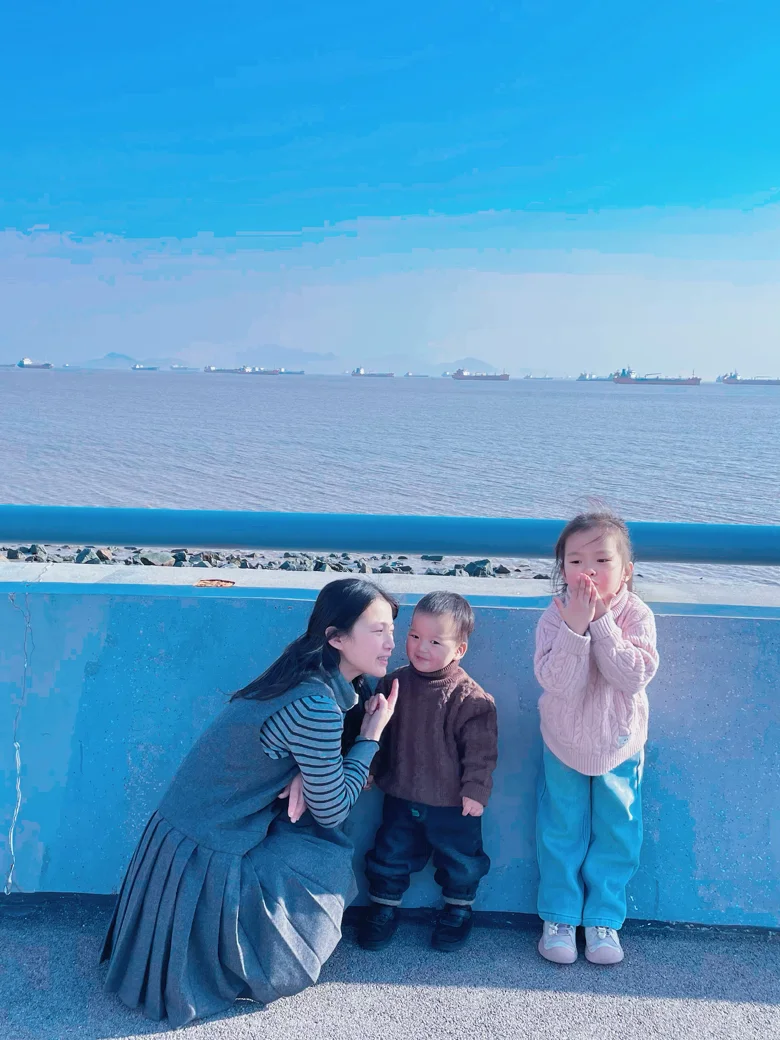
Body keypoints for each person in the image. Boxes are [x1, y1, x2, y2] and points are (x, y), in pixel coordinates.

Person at [100, 578, 399, 1028]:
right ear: (336, 638)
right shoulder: (317, 704)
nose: (391, 642)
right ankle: (257, 956)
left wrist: (303, 770)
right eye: (378, 630)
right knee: (324, 851)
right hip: (207, 851)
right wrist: (370, 737)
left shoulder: (300, 669)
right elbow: (332, 809)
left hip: (180, 836)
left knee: (303, 829)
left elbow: (287, 741)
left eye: (392, 628)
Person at [534, 511, 659, 965]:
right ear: (562, 569)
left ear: (626, 571)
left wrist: (602, 623)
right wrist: (574, 627)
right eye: (575, 561)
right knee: (561, 828)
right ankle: (560, 917)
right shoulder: (554, 616)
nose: (588, 571)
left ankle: (604, 919)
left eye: (602, 561)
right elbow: (557, 682)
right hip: (563, 741)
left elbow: (633, 676)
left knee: (618, 830)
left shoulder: (636, 614)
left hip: (619, 742)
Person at [358, 591, 498, 953]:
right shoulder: (393, 684)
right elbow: (377, 734)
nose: (421, 647)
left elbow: (481, 752)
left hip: (453, 803)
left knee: (462, 859)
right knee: (390, 853)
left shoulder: (471, 698)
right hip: (401, 793)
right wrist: (369, 768)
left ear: (459, 649)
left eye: (436, 641)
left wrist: (476, 790)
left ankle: (458, 909)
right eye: (415, 636)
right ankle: (384, 907)